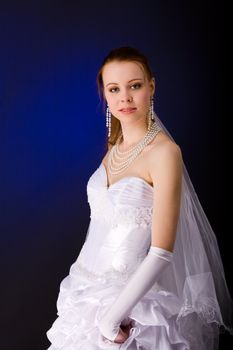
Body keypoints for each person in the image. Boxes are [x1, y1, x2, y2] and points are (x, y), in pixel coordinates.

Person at [46, 46, 233, 349]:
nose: (125, 98)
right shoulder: (115, 147)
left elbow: (161, 251)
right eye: (114, 89)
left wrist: (111, 319)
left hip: (128, 304)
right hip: (82, 292)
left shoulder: (164, 153)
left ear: (151, 86)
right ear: (105, 96)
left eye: (135, 85)